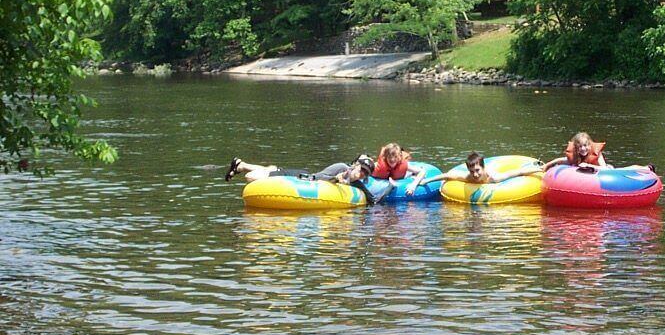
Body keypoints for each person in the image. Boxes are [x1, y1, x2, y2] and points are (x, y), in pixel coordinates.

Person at [225, 154, 391, 205]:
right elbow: (325, 180)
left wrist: (390, 187)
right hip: (300, 178)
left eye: (365, 173)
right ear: (355, 165)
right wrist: (337, 179)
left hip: (302, 175)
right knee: (250, 178)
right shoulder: (342, 168)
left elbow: (372, 199)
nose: (362, 174)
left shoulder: (356, 183)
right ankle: (243, 167)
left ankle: (241, 164)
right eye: (361, 169)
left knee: (271, 170)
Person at [413, 151, 541, 189]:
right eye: (472, 171)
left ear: (483, 168)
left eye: (477, 170)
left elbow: (519, 172)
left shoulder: (494, 178)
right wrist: (425, 181)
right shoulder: (468, 177)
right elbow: (447, 175)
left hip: (494, 174)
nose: (475, 174)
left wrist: (538, 169)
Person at [542, 132, 609, 171]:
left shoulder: (597, 154)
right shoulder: (575, 155)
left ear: (590, 146)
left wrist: (588, 166)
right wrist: (547, 165)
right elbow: (561, 160)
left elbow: (605, 168)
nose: (583, 149)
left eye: (585, 145)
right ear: (576, 148)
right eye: (580, 146)